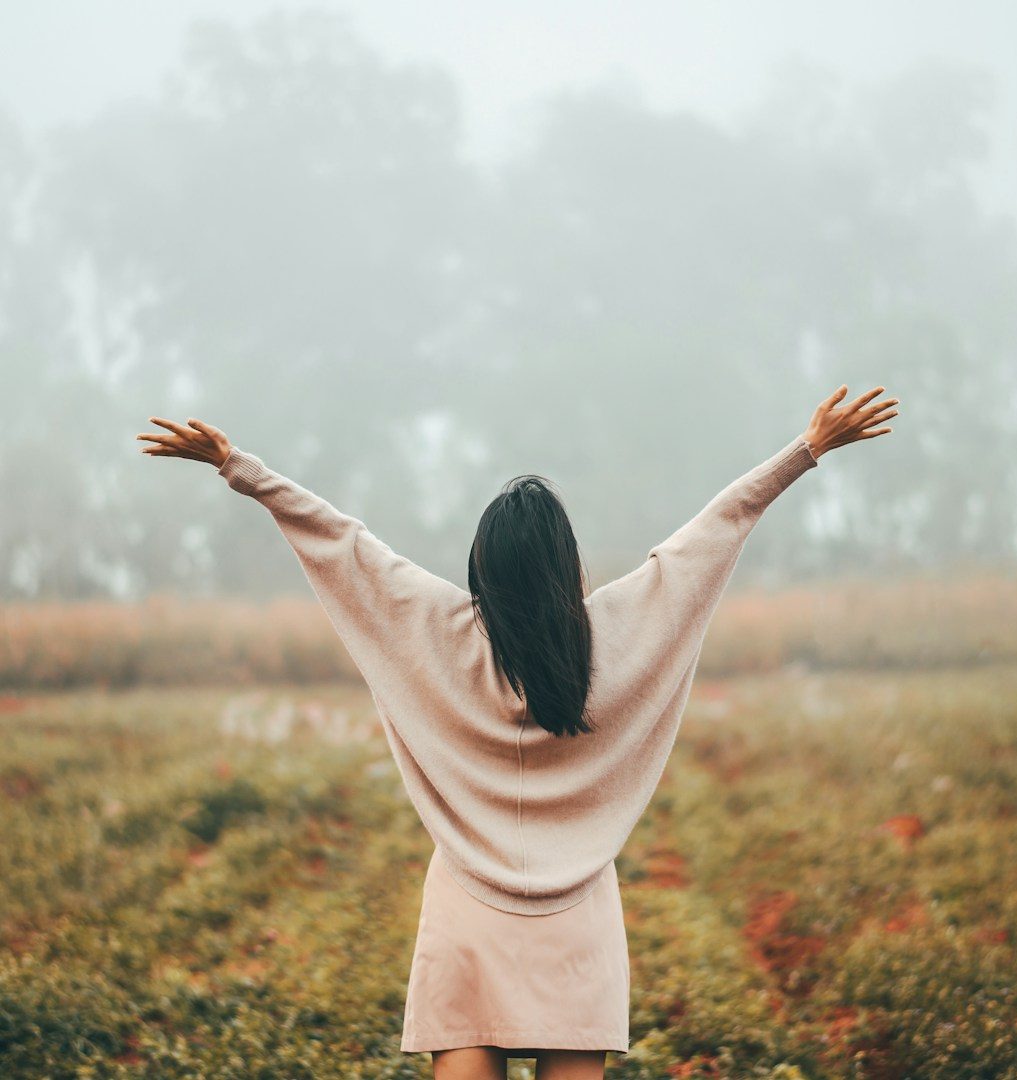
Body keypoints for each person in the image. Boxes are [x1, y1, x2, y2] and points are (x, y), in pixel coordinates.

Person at [136, 384, 897, 1079]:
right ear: (567, 565)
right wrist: (806, 451)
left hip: (467, 910)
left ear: (482, 569)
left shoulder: (438, 630)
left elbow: (342, 541)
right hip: (579, 921)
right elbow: (712, 534)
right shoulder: (616, 634)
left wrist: (238, 465)